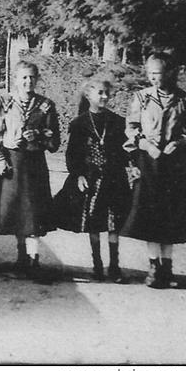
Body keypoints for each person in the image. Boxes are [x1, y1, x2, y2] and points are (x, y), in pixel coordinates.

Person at [121, 53, 186, 289]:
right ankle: (153, 267)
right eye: (150, 74)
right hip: (150, 163)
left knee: (170, 215)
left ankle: (167, 267)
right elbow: (131, 128)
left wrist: (180, 143)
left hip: (175, 166)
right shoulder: (142, 98)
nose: (154, 78)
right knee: (150, 214)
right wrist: (145, 144)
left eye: (158, 74)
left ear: (170, 73)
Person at [51, 76, 132, 282]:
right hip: (91, 179)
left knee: (114, 223)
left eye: (107, 93)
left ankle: (114, 266)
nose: (104, 96)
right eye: (100, 93)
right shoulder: (79, 124)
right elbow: (73, 154)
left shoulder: (117, 121)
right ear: (88, 95)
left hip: (114, 180)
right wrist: (78, 174)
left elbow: (125, 151)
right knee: (94, 222)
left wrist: (129, 165)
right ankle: (97, 265)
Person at [0, 60, 60, 279]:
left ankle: (33, 259)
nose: (28, 82)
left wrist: (38, 136)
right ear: (16, 79)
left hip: (34, 164)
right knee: (15, 210)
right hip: (12, 163)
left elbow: (55, 141)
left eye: (32, 77)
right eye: (24, 77)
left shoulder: (46, 105)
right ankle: (21, 256)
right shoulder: (4, 103)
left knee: (33, 211)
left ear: (38, 80)